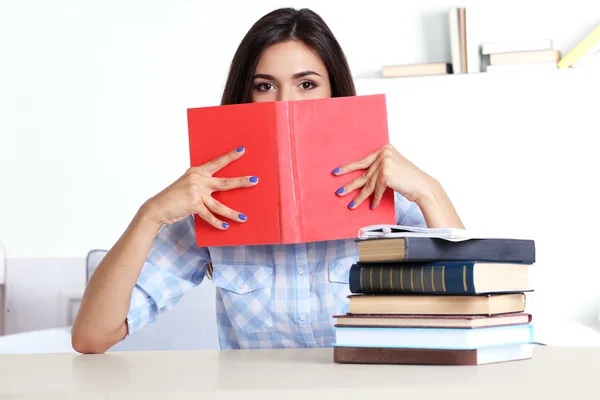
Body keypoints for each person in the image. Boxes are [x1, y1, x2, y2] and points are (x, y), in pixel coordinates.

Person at [71, 7, 464, 354]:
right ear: (245, 95)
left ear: (335, 93)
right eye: (265, 86)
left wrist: (431, 191)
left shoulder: (382, 192)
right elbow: (92, 336)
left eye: (306, 84)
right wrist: (150, 214)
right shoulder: (213, 202)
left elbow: (470, 312)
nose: (284, 104)